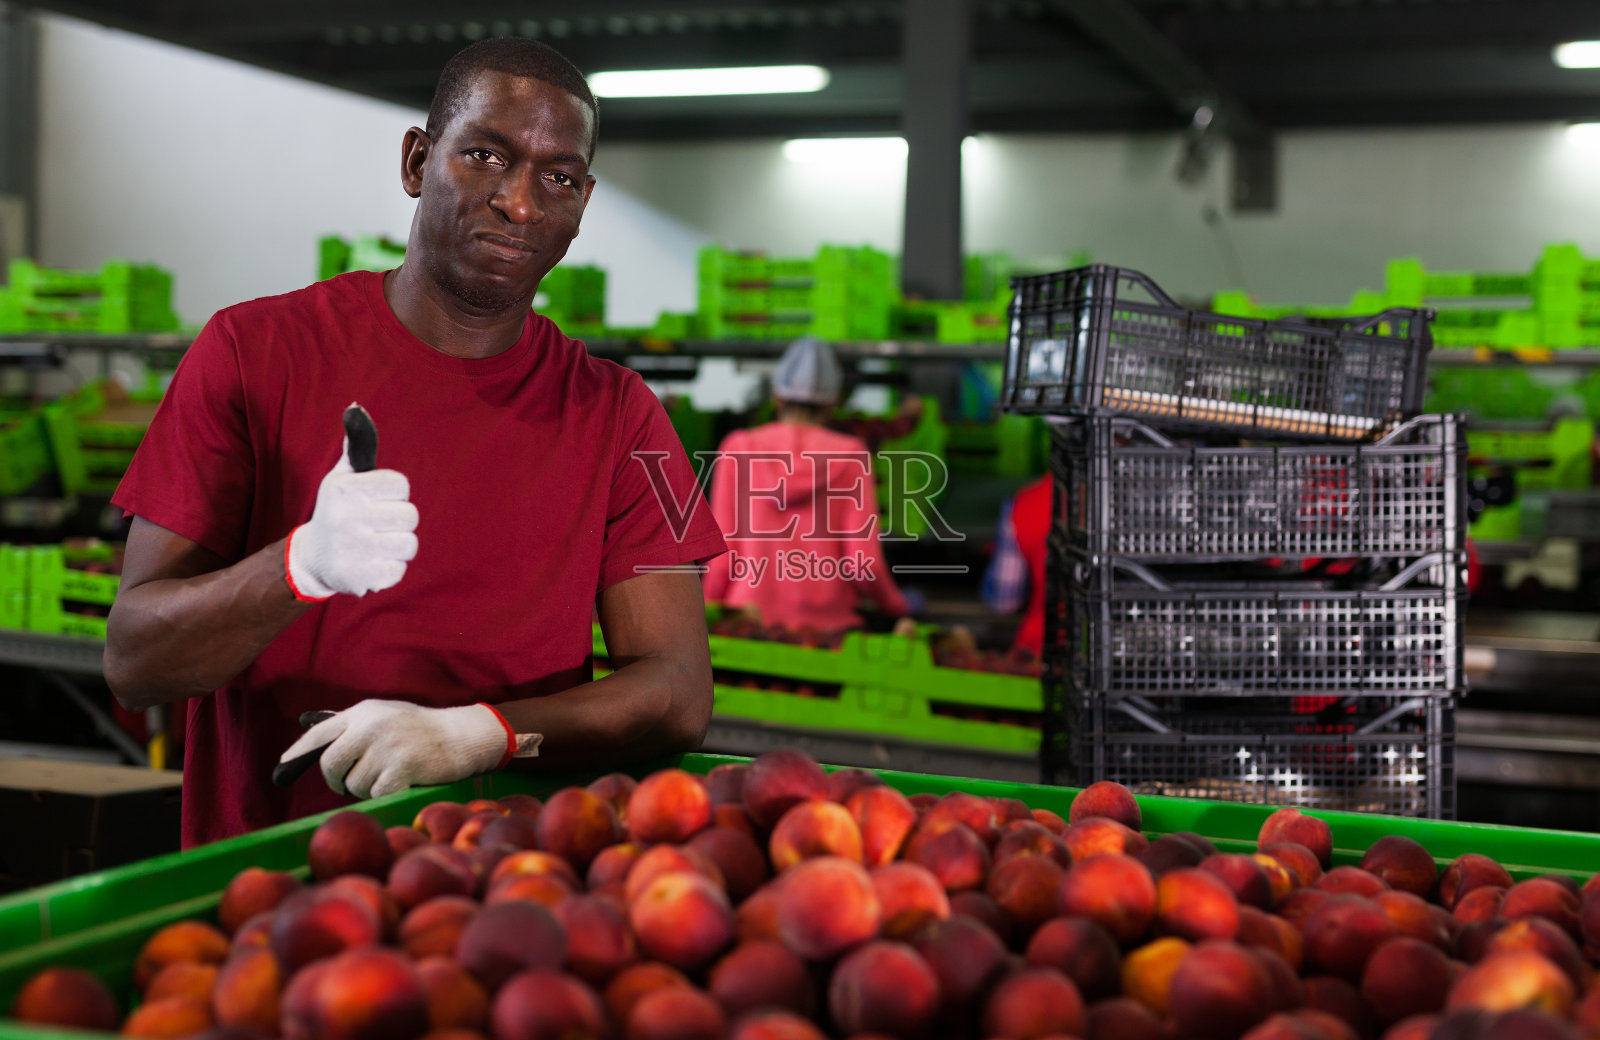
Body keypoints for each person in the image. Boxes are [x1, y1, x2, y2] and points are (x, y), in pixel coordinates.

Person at [103, 38, 727, 847]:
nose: (522, 203)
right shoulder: (252, 354)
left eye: (560, 178)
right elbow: (135, 660)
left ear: (583, 203)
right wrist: (296, 566)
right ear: (416, 161)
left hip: (511, 898)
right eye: (485, 156)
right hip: (274, 888)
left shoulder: (620, 414)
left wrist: (481, 733)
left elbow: (679, 691)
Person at [701, 337, 913, 633]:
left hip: (749, 624)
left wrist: (709, 609)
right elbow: (864, 564)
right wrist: (897, 608)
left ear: (776, 397)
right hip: (828, 633)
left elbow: (723, 554)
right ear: (832, 403)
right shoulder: (852, 455)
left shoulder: (738, 448)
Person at [982, 473, 1052, 656]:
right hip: (1126, 656)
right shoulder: (1130, 501)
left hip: (1043, 652)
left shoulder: (1028, 502)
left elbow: (1004, 600)